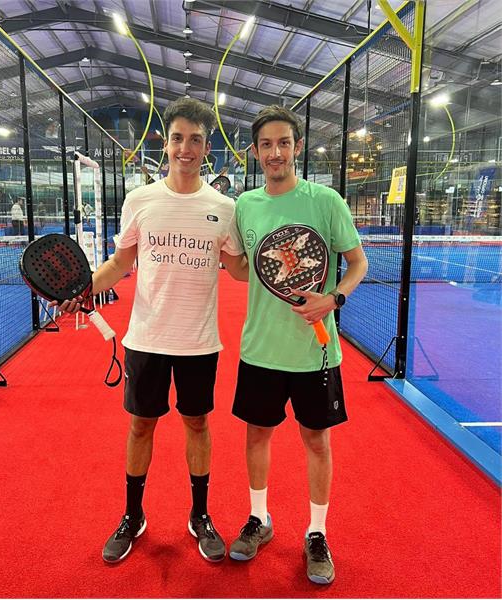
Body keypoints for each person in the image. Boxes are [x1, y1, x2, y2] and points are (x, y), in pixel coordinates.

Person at [57, 97, 245, 564]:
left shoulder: (224, 208)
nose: (185, 148)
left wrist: (280, 269)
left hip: (199, 342)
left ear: (207, 148)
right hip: (146, 339)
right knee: (141, 426)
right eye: (178, 138)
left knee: (197, 424)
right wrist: (82, 288)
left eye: (195, 140)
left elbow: (239, 269)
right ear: (166, 143)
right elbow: (120, 263)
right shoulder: (140, 200)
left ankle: (199, 515)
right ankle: (133, 515)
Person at [227, 105, 368, 585]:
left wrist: (333, 298)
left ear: (297, 148)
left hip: (315, 353)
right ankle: (259, 518)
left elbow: (357, 262)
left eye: (283, 143)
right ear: (255, 151)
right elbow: (242, 268)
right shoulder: (246, 206)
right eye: (266, 145)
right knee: (257, 435)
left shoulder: (325, 201)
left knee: (317, 442)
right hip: (260, 350)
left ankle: (317, 532)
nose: (275, 153)